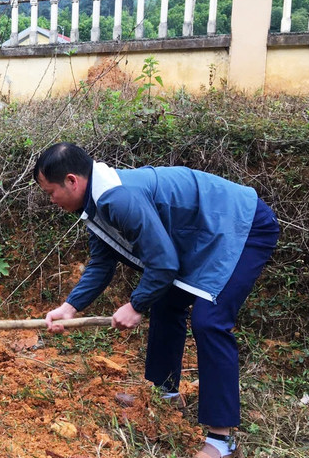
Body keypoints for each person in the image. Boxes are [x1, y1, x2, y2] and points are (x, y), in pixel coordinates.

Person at [35, 142, 278, 458]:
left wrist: (136, 305)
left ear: (72, 180)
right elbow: (101, 262)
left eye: (50, 191)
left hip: (242, 225)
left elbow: (163, 263)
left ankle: (222, 441)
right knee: (166, 301)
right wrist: (70, 307)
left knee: (210, 321)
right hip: (205, 236)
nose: (50, 200)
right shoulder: (96, 202)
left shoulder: (117, 198)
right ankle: (165, 395)